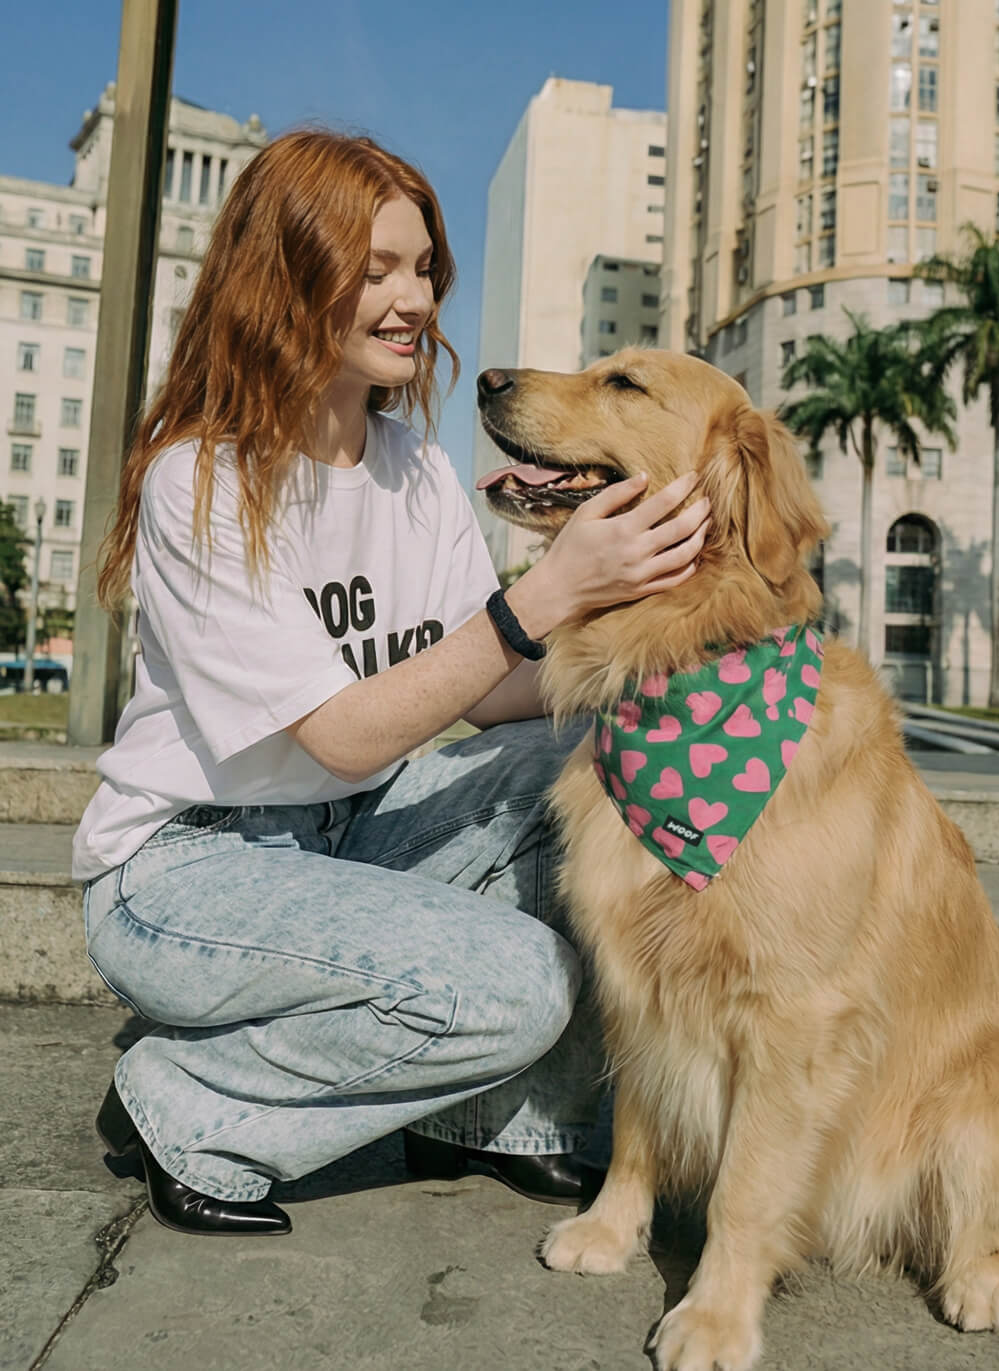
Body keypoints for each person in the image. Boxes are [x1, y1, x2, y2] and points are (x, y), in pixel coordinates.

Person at [73, 130, 710, 1237]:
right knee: (518, 982)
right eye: (375, 272)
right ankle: (185, 1102)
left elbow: (489, 690)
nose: (413, 298)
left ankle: (496, 1117)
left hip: (352, 834)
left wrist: (661, 639)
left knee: (600, 762)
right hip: (186, 873)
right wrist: (544, 596)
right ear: (288, 279)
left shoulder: (412, 469)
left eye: (422, 268)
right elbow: (347, 735)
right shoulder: (203, 482)